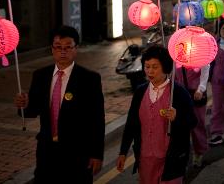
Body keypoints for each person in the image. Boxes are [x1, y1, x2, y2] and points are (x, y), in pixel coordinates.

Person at [14, 26, 105, 184]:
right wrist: (23, 105)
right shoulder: (40, 76)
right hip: (47, 152)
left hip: (77, 154)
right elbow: (31, 111)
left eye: (68, 47)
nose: (63, 51)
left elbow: (97, 119)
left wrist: (97, 154)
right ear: (52, 49)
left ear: (76, 49)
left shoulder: (89, 79)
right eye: (58, 47)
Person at [117, 45, 197, 183]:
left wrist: (177, 117)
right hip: (145, 159)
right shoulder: (140, 92)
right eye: (147, 67)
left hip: (171, 159)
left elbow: (192, 121)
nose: (150, 71)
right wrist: (123, 152)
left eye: (155, 67)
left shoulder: (178, 92)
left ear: (165, 68)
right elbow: (131, 123)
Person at [175, 63, 209, 167]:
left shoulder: (201, 57)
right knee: (181, 126)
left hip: (196, 95)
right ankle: (182, 154)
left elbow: (205, 74)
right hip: (181, 94)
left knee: (197, 125)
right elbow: (174, 77)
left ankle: (199, 151)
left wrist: (200, 89)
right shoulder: (177, 57)